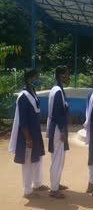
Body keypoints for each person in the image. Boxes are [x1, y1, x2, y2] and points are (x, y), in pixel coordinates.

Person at [8, 68, 49, 198]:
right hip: (28, 135)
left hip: (35, 133)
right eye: (35, 77)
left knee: (37, 158)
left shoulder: (32, 92)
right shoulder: (23, 97)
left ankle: (37, 183)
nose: (37, 79)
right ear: (29, 78)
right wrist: (28, 138)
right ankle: (27, 189)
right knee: (27, 161)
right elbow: (23, 120)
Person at [46, 65, 70, 199]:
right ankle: (54, 189)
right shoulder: (57, 91)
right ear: (61, 76)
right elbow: (58, 113)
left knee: (58, 158)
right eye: (66, 74)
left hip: (56, 127)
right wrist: (62, 130)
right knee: (57, 159)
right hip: (57, 129)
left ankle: (56, 183)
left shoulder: (56, 89)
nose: (68, 77)